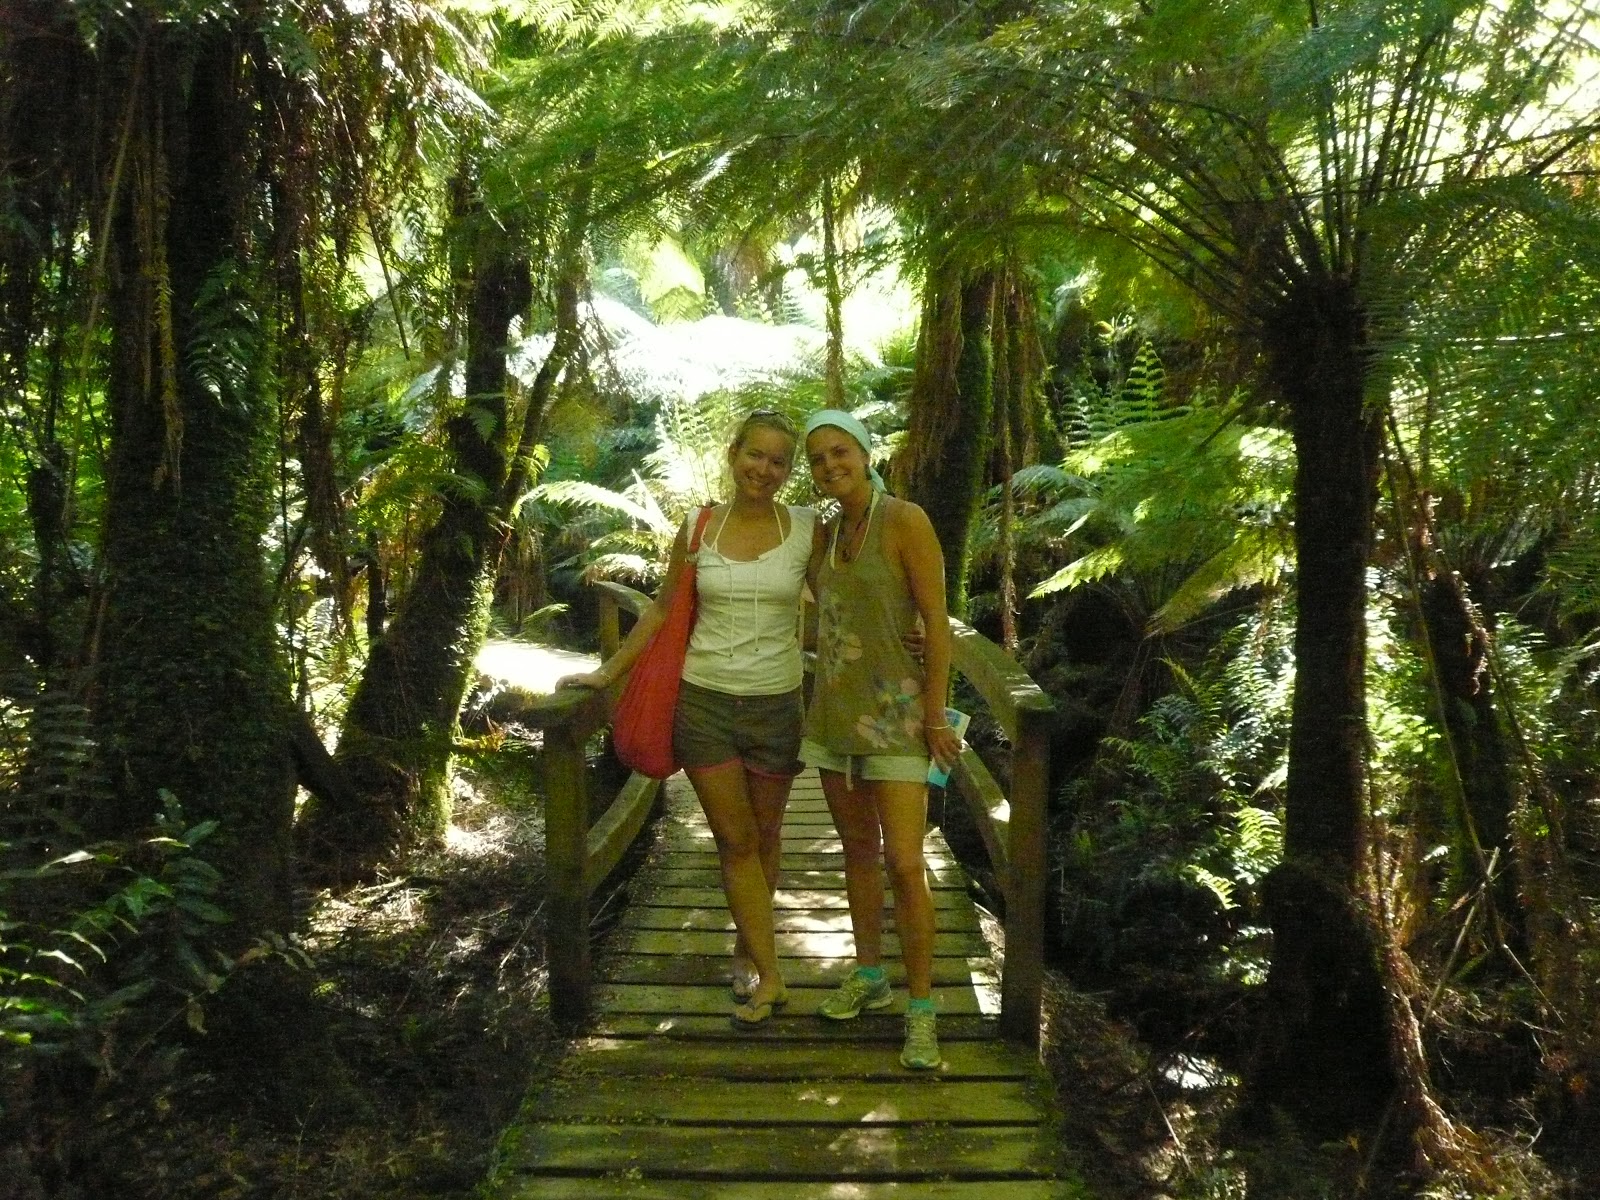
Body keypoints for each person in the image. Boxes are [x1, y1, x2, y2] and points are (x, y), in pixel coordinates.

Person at [557, 409, 815, 1026]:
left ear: (789, 471)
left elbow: (847, 601)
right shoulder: (699, 527)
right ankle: (771, 974)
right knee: (735, 839)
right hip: (704, 704)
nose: (764, 469)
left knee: (766, 836)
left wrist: (909, 636)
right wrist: (606, 674)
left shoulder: (808, 530)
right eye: (755, 454)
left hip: (778, 704)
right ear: (734, 453)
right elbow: (661, 610)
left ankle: (748, 949)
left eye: (778, 461)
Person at [799, 409, 961, 1071]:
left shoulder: (905, 520)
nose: (830, 465)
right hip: (834, 713)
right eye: (817, 459)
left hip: (898, 716)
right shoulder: (826, 533)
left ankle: (922, 1009)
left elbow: (938, 622)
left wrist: (936, 715)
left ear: (866, 455)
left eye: (840, 452)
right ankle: (870, 976)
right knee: (859, 851)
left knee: (905, 863)